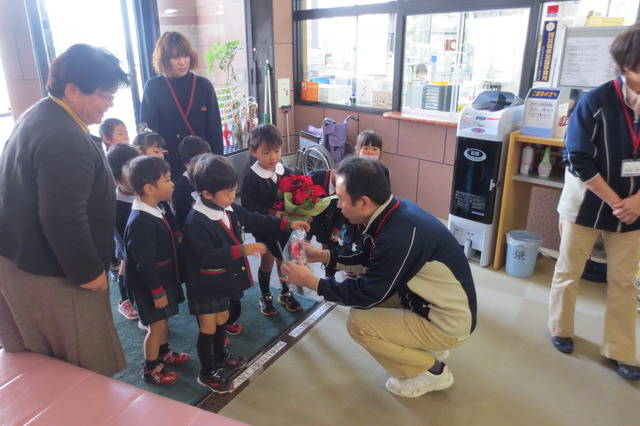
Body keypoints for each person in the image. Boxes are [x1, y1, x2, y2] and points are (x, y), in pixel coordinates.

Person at [281, 156, 477, 398]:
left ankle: (431, 371)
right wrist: (322, 256)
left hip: (448, 321)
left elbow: (368, 294)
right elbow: (365, 257)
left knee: (359, 324)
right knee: (368, 304)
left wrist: (312, 282)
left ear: (363, 202)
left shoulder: (399, 234)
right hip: (425, 300)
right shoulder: (392, 212)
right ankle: (424, 345)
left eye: (341, 198)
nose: (338, 205)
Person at [0, 44, 129, 376]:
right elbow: (63, 218)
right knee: (83, 368)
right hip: (50, 273)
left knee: (40, 361)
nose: (110, 103)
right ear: (72, 90)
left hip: (21, 260)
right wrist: (89, 273)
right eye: (104, 95)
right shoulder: (63, 136)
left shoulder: (41, 113)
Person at [548, 23, 640, 380]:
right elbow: (577, 158)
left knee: (624, 282)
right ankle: (561, 328)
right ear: (629, 62)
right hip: (585, 204)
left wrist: (636, 203)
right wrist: (620, 200)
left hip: (633, 211)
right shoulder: (595, 101)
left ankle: (620, 349)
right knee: (569, 271)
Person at [182, 154, 310, 393]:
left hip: (221, 281)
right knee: (208, 327)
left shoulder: (227, 208)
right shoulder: (196, 221)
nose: (233, 198)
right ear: (207, 194)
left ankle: (219, 357)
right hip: (205, 285)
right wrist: (244, 249)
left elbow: (255, 219)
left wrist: (289, 224)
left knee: (221, 320)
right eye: (228, 193)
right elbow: (205, 256)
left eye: (234, 191)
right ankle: (206, 373)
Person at [124, 155, 190, 386]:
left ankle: (164, 352)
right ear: (150, 188)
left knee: (164, 320)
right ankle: (150, 368)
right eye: (168, 180)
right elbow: (145, 263)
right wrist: (157, 290)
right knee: (156, 326)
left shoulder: (155, 207)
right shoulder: (140, 221)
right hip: (150, 285)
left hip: (161, 279)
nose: (173, 184)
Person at [140, 31, 224, 179]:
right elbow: (149, 133)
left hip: (202, 162)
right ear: (164, 59)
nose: (182, 62)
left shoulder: (203, 85)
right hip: (169, 163)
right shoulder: (153, 87)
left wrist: (218, 164)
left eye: (185, 55)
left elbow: (215, 130)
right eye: (175, 57)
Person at [242, 124, 305, 316]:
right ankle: (265, 295)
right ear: (253, 151)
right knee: (268, 260)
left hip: (284, 226)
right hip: (264, 227)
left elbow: (293, 192)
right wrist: (271, 212)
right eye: (267, 152)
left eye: (277, 151)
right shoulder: (251, 177)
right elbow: (248, 206)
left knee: (283, 259)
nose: (273, 157)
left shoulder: (284, 170)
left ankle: (285, 293)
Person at [106, 144, 141, 321]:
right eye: (131, 172)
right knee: (125, 266)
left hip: (138, 242)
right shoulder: (116, 204)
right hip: (125, 245)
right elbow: (120, 235)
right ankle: (125, 300)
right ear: (116, 179)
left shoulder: (141, 192)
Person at [306, 168, 343, 278]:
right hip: (309, 219)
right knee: (304, 245)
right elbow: (301, 196)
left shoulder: (345, 189)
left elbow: (341, 211)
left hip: (327, 221)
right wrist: (305, 214)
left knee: (328, 247)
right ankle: (303, 272)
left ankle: (329, 275)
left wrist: (336, 229)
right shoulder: (316, 176)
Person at [174, 136, 211, 231]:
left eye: (207, 158)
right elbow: (182, 216)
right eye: (201, 160)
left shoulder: (207, 175)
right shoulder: (183, 186)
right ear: (187, 164)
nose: (206, 163)